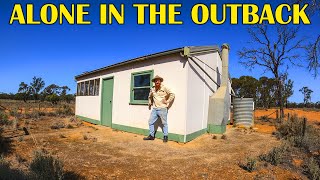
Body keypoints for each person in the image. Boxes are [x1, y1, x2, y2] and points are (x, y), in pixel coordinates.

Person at [143, 75, 175, 143]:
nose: (157, 81)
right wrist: (149, 102)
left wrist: (167, 101)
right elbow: (149, 96)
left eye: (158, 80)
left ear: (160, 81)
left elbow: (172, 94)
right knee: (150, 122)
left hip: (163, 109)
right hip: (155, 109)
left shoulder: (164, 88)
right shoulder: (152, 89)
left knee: (164, 123)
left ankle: (165, 136)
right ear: (154, 82)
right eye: (155, 80)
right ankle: (151, 136)